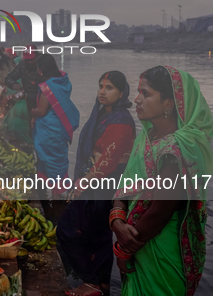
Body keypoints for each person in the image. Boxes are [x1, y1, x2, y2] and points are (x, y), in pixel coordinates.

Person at [111, 66, 213, 296]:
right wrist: (117, 220)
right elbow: (125, 188)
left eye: (146, 94)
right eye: (138, 92)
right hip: (135, 237)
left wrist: (123, 249)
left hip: (160, 247)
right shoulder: (146, 138)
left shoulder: (177, 149)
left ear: (170, 102)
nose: (137, 100)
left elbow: (161, 211)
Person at [58, 71, 136, 296]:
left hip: (102, 187)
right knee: (99, 238)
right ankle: (101, 286)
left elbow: (107, 164)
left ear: (121, 93)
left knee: (67, 231)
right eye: (101, 86)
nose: (102, 91)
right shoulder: (104, 114)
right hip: (99, 184)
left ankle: (90, 281)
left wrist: (77, 188)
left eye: (109, 87)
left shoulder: (121, 122)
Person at [31, 54, 80, 197]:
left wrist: (32, 112)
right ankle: (57, 193)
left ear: (40, 69)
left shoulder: (47, 87)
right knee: (59, 158)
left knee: (49, 159)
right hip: (61, 126)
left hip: (49, 130)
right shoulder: (64, 81)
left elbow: (41, 111)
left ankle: (55, 196)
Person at [5, 46, 44, 130]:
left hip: (42, 101)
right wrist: (14, 84)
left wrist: (25, 95)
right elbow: (8, 78)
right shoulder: (23, 65)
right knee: (30, 125)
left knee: (41, 127)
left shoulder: (43, 64)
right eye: (27, 60)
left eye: (32, 59)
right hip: (28, 102)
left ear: (37, 56)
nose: (29, 62)